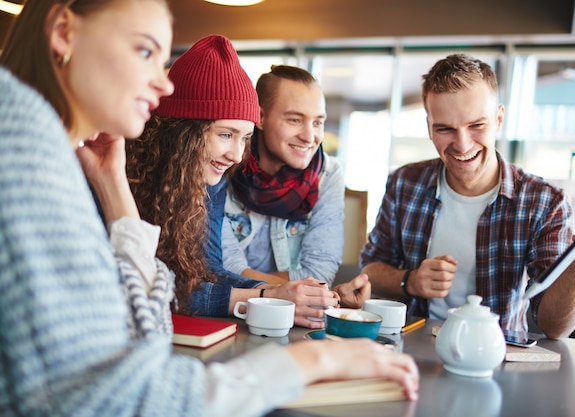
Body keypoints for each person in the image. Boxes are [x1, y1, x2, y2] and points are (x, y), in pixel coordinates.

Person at [0, 1, 419, 416]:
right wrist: (312, 361)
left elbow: (149, 337)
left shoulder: (55, 147)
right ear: (63, 33)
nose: (164, 84)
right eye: (145, 51)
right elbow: (117, 396)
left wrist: (116, 195)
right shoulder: (26, 156)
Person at [361, 53, 575, 339]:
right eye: (445, 128)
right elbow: (370, 270)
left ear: (499, 119)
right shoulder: (404, 184)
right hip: (413, 349)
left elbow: (555, 326)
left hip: (498, 358)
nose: (462, 145)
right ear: (429, 128)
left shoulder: (545, 203)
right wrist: (410, 281)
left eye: (477, 125)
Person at [126, 34, 342, 329]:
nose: (237, 156)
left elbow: (210, 270)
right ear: (184, 131)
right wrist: (266, 295)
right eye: (226, 135)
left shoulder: (208, 177)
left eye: (245, 139)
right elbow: (161, 291)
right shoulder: (127, 174)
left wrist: (273, 295)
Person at [222, 64, 371, 308]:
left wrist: (258, 285)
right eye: (295, 119)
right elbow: (225, 268)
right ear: (259, 117)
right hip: (229, 314)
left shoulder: (328, 174)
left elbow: (319, 273)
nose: (309, 136)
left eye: (318, 122)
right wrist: (295, 291)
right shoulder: (224, 164)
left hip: (293, 322)